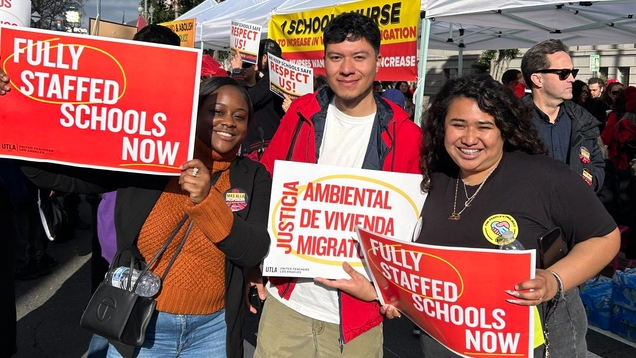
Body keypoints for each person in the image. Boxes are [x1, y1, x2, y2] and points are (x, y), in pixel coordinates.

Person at [319, 75, 621, 357]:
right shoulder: (429, 180)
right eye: (459, 124)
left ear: (504, 128)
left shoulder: (544, 175)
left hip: (537, 344)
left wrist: (554, 280)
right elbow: (418, 272)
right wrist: (380, 292)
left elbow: (604, 237)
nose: (470, 138)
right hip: (444, 345)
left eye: (484, 126)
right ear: (442, 127)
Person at [21, 76, 271, 358]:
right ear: (194, 112)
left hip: (212, 332)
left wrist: (206, 200)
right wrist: (12, 111)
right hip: (140, 323)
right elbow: (51, 175)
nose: (228, 122)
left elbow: (253, 250)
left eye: (240, 116)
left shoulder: (254, 177)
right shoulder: (151, 157)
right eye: (216, 111)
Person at [253, 12, 422, 357]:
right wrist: (252, 266)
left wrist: (386, 293)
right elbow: (267, 188)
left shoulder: (407, 136)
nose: (347, 69)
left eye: (359, 57)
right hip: (289, 304)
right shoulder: (300, 115)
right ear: (324, 61)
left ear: (378, 62)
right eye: (336, 57)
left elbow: (414, 232)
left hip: (358, 318)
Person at [520, 39, 605, 192]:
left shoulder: (583, 120)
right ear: (537, 79)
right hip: (529, 212)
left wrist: (586, 190)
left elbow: (598, 164)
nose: (572, 79)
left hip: (575, 210)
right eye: (564, 73)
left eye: (573, 72)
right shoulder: (511, 121)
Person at [231, 39, 286, 160]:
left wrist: (237, 72)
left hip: (265, 150)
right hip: (260, 147)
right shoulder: (273, 78)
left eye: (256, 58)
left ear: (265, 58)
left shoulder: (274, 77)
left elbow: (245, 100)